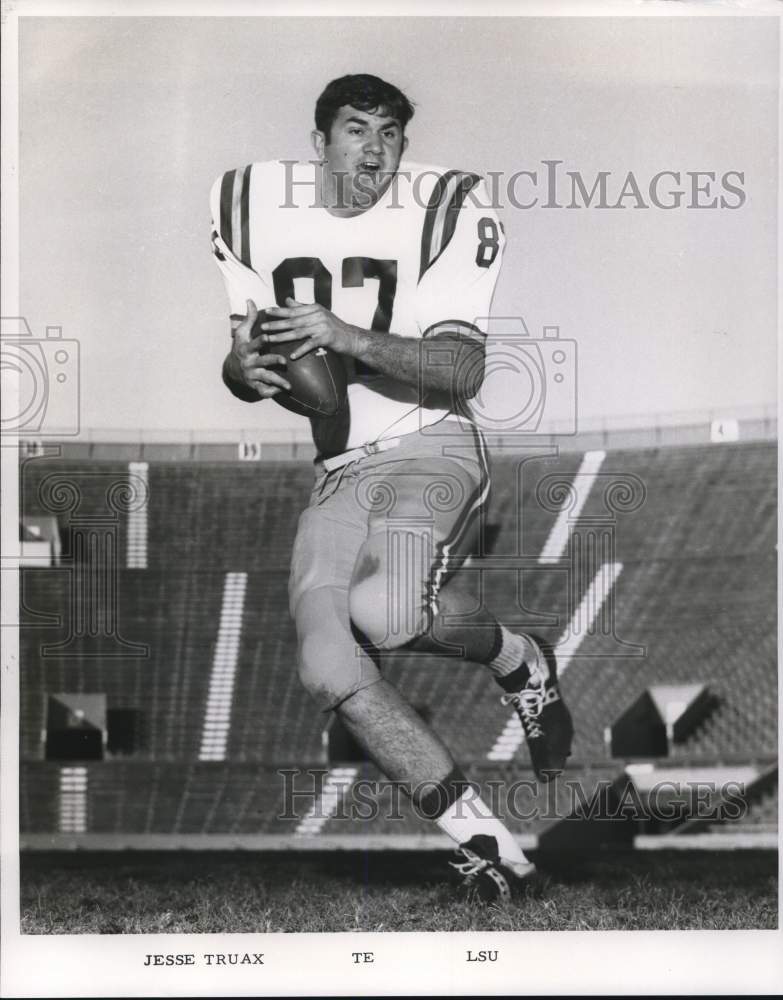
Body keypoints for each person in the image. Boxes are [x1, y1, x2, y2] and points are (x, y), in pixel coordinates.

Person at [211, 74, 573, 901]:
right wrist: (242, 367)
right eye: (354, 130)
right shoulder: (247, 202)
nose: (374, 150)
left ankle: (520, 657)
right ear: (319, 141)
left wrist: (342, 332)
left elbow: (462, 366)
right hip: (339, 470)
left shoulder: (444, 207)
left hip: (430, 445)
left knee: (384, 612)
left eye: (389, 133)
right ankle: (491, 847)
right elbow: (246, 367)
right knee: (327, 662)